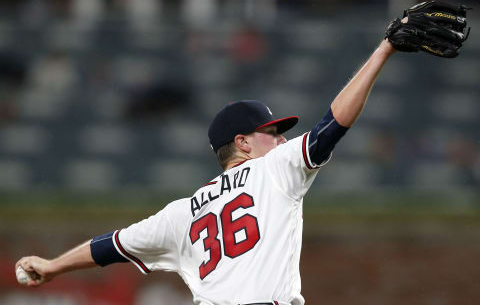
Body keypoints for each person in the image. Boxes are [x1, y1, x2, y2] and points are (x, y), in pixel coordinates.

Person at [16, 38, 396, 305]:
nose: (282, 142)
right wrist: (384, 50)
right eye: (272, 134)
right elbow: (332, 127)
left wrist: (53, 266)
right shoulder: (274, 170)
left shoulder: (184, 211)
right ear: (243, 143)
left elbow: (111, 246)